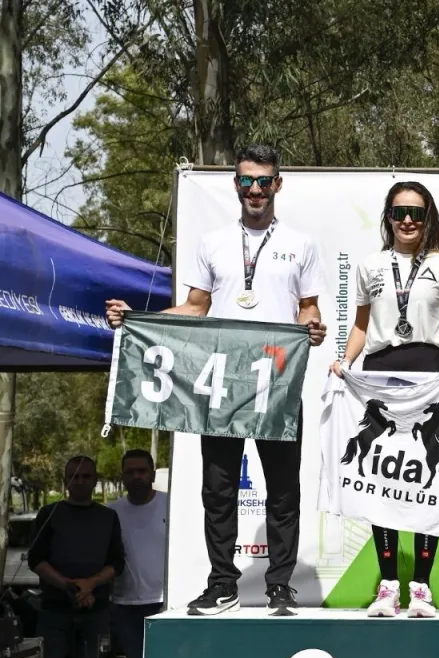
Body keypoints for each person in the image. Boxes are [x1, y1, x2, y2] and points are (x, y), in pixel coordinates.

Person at [106, 144, 328, 617]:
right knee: (219, 488)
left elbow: (308, 309)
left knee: (283, 488)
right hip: (223, 382)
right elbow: (195, 308)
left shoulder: (301, 244)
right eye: (247, 181)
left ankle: (280, 586)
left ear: (277, 184)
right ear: (236, 185)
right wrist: (137, 319)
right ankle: (223, 583)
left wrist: (312, 327)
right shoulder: (213, 242)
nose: (255, 190)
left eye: (263, 181)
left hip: (275, 381)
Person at [331, 181, 439, 618]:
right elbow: (361, 325)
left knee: (425, 481)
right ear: (388, 218)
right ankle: (388, 585)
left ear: (428, 218)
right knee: (384, 478)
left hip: (429, 376)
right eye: (400, 212)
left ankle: (421, 588)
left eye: (417, 212)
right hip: (380, 376)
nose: (408, 220)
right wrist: (344, 361)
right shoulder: (370, 265)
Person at [27, 457, 125, 658]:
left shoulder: (108, 517)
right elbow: (36, 559)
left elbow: (117, 563)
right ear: (65, 481)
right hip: (54, 613)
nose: (80, 481)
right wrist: (69, 586)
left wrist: (90, 584)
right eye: (74, 476)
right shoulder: (49, 513)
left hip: (95, 612)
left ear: (95, 480)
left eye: (86, 476)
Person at [107, 450, 167, 658]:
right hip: (125, 606)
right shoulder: (111, 512)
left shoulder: (171, 504)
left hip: (165, 603)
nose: (136, 477)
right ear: (122, 477)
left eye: (142, 471)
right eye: (130, 472)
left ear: (152, 474)